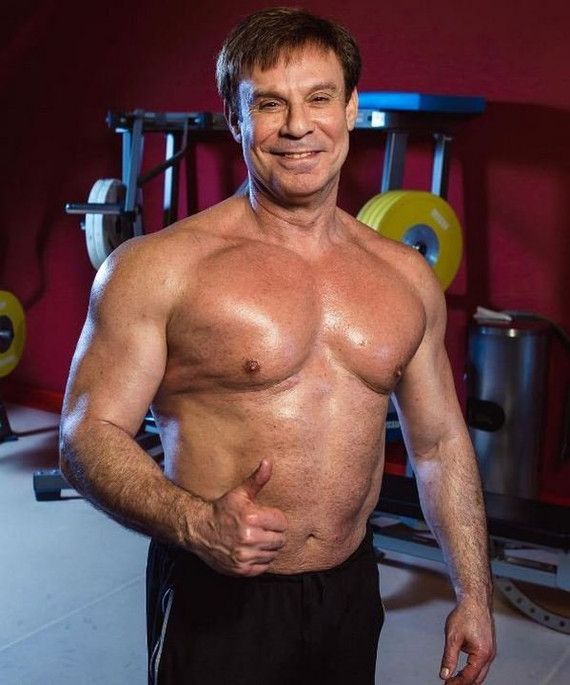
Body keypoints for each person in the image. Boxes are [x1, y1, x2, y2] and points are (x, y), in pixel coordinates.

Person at [59, 6, 496, 685]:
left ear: (351, 108)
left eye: (319, 98)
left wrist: (473, 591)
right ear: (235, 120)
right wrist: (196, 523)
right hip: (216, 590)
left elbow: (439, 443)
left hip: (349, 589)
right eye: (269, 104)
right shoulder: (159, 268)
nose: (297, 126)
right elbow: (84, 434)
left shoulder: (406, 277)